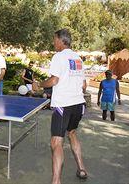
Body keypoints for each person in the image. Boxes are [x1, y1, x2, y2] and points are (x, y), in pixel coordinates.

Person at [34, 29, 88, 183]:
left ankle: (56, 181)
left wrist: (39, 85)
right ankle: (82, 169)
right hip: (79, 105)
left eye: (54, 39)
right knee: (72, 133)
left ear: (60, 40)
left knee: (56, 142)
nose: (53, 42)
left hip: (63, 106)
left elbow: (54, 81)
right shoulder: (78, 58)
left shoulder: (58, 56)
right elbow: (84, 85)